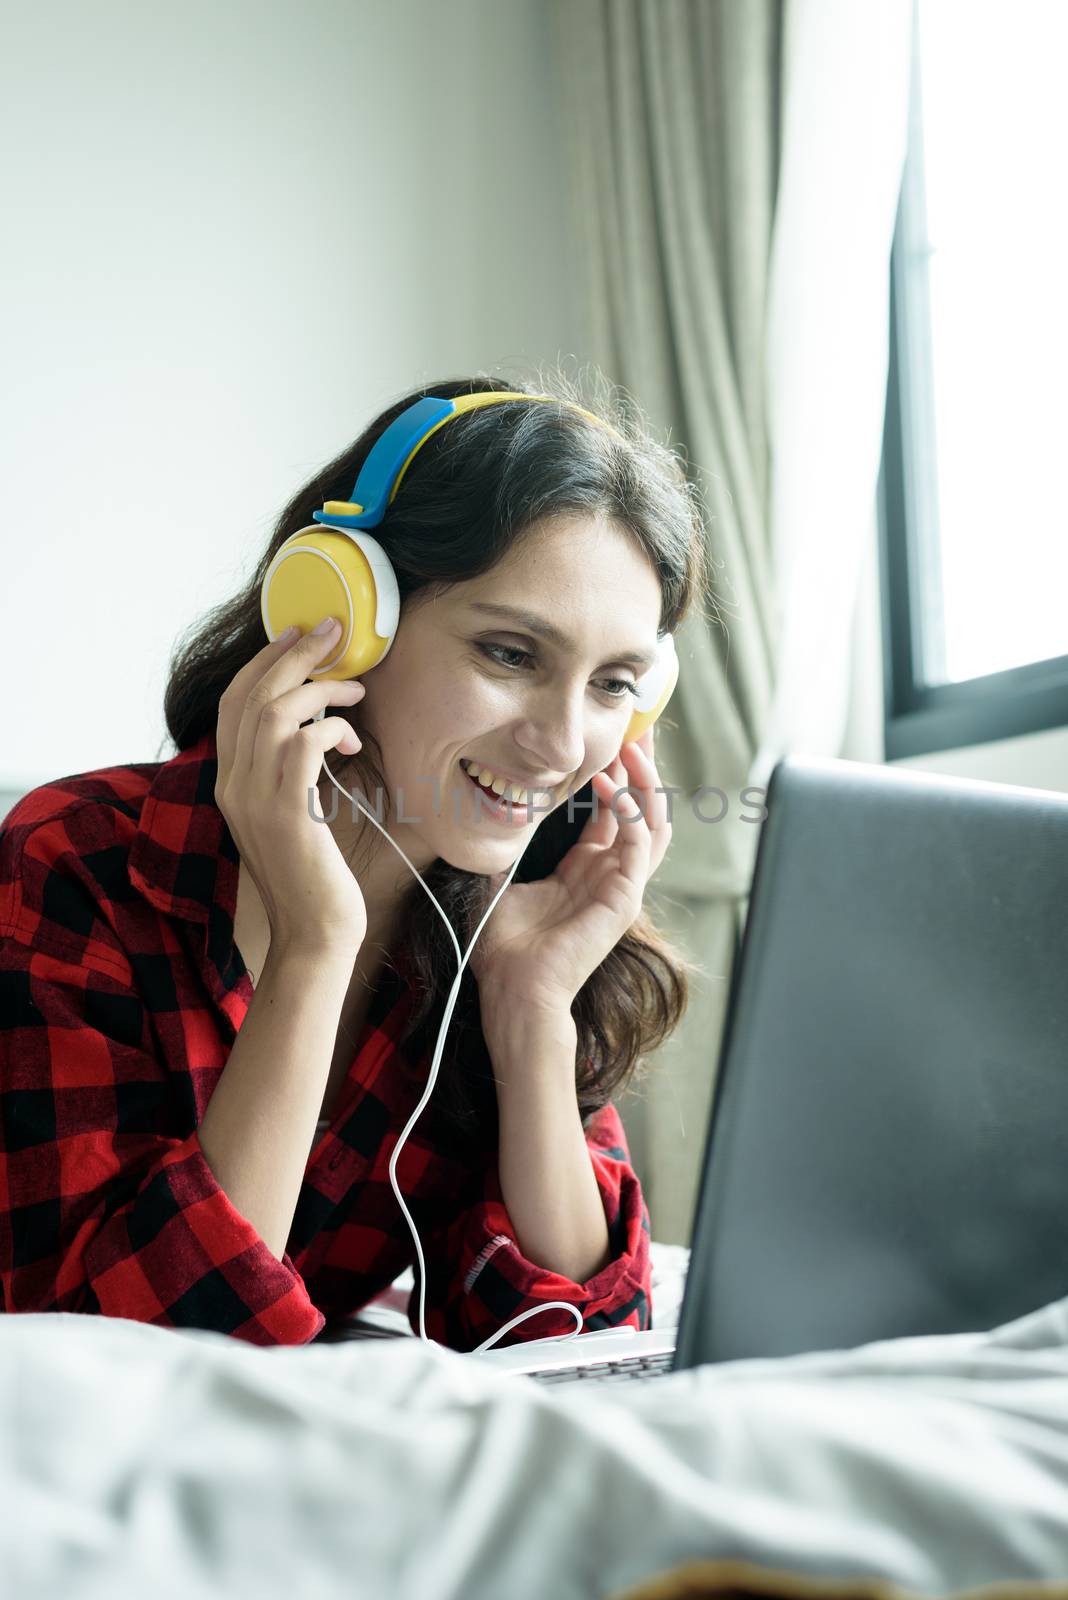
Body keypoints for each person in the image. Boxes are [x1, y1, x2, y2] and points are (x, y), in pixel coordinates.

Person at [0, 370, 711, 1348]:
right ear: (342, 617)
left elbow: (585, 1344)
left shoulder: (509, 918)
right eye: (511, 653)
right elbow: (114, 1357)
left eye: (614, 683)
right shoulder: (74, 862)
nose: (561, 743)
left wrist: (533, 1012)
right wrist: (314, 945)